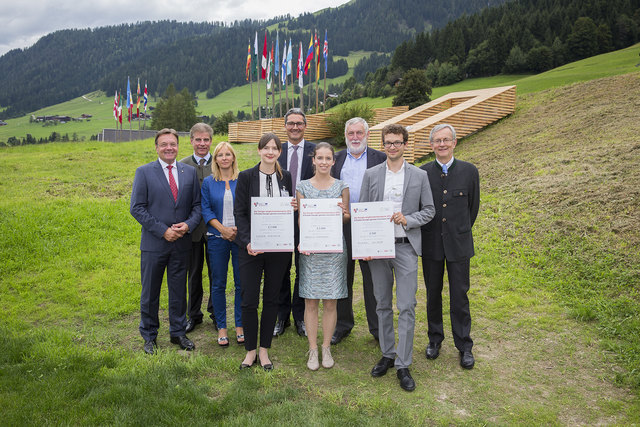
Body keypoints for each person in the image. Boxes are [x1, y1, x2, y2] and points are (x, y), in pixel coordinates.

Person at [360, 124, 434, 392]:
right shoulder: (371, 174)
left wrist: (409, 219)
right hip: (378, 248)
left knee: (406, 305)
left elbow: (429, 210)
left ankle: (403, 363)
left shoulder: (419, 175)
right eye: (388, 143)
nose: (392, 147)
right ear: (383, 145)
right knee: (382, 304)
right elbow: (363, 211)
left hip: (405, 246)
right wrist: (364, 244)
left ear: (405, 144)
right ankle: (387, 354)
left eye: (397, 142)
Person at [130, 128, 202, 354]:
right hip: (155, 244)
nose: (169, 148)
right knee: (150, 292)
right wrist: (163, 231)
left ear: (178, 146)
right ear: (156, 147)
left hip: (181, 243)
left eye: (172, 144)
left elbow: (197, 206)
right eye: (164, 144)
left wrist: (189, 225)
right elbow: (137, 208)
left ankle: (178, 332)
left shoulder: (188, 172)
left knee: (179, 290)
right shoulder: (144, 172)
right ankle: (149, 335)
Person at [234, 132, 296, 371]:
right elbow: (240, 212)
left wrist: (293, 206)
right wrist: (248, 241)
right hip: (251, 249)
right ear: (259, 150)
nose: (270, 152)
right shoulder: (246, 176)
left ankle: (264, 350)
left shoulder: (286, 177)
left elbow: (286, 210)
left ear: (280, 152)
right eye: (266, 148)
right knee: (249, 299)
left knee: (272, 299)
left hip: (278, 249)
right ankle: (250, 350)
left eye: (275, 148)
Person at [420, 123, 479, 370]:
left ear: (454, 142)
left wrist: (458, 230)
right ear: (431, 144)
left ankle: (464, 345)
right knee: (433, 294)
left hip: (458, 244)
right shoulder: (422, 173)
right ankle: (435, 339)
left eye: (446, 140)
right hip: (431, 243)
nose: (442, 144)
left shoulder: (469, 171)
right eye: (437, 140)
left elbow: (472, 208)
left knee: (459, 296)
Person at [330, 117, 386, 345]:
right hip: (342, 225)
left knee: (373, 279)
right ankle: (343, 325)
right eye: (351, 133)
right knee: (343, 277)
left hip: (369, 226)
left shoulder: (380, 158)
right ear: (346, 136)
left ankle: (377, 328)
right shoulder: (337, 158)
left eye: (359, 133)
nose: (354, 137)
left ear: (367, 135)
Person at [297, 142, 350, 370]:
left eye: (328, 158)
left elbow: (345, 218)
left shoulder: (342, 186)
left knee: (330, 301)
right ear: (313, 160)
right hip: (311, 250)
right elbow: (301, 219)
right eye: (320, 158)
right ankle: (312, 349)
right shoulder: (302, 187)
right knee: (310, 301)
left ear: (333, 161)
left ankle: (326, 346)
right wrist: (304, 240)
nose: (324, 162)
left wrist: (343, 213)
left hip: (334, 250)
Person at [274, 108, 316, 337]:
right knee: (281, 268)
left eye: (299, 123)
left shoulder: (314, 151)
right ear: (285, 126)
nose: (295, 127)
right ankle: (282, 317)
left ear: (305, 126)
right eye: (291, 123)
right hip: (280, 218)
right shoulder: (275, 150)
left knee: (303, 267)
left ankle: (300, 316)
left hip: (307, 217)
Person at [201, 141, 243, 347]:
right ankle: (222, 327)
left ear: (233, 157)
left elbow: (246, 208)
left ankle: (240, 325)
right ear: (215, 159)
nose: (224, 158)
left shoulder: (242, 180)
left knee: (240, 283)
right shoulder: (209, 183)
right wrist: (223, 230)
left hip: (239, 239)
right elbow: (206, 210)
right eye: (220, 155)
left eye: (228, 154)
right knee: (218, 284)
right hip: (217, 239)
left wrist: (236, 231)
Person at [179, 123, 217, 333]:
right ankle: (193, 315)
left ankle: (215, 312)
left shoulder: (221, 162)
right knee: (193, 274)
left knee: (216, 273)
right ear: (191, 140)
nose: (202, 144)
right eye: (198, 140)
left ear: (211, 141)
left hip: (215, 229)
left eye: (206, 140)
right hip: (191, 230)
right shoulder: (182, 165)